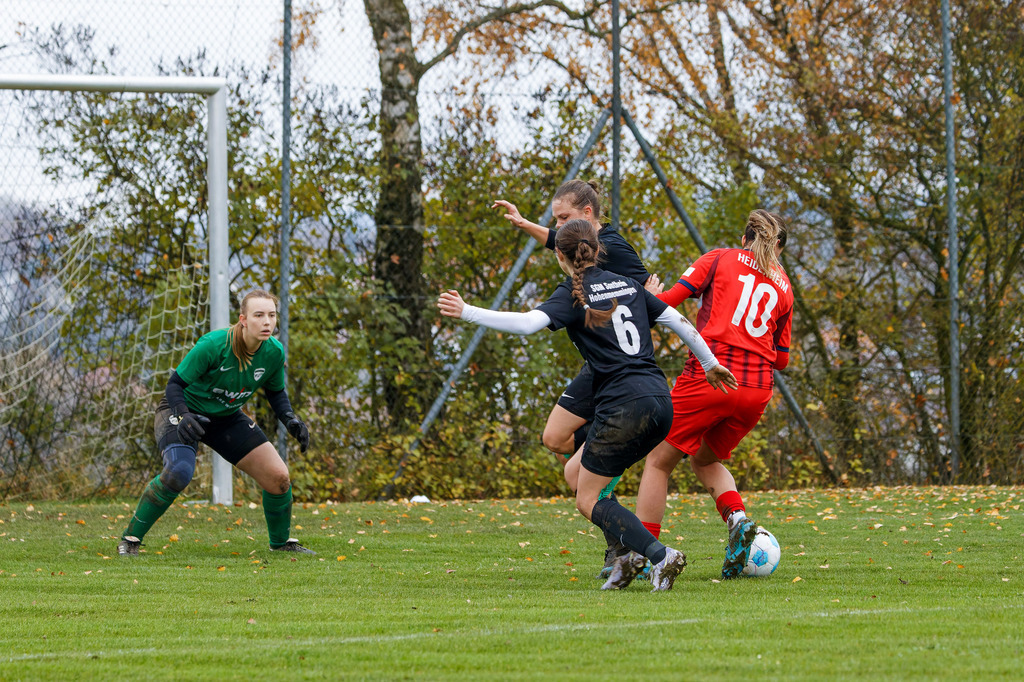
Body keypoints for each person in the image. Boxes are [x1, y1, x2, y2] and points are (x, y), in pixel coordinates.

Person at [437, 219, 737, 591]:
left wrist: (468, 311)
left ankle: (660, 556)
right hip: (660, 401)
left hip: (623, 406)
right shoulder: (627, 284)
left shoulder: (573, 293)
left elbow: (528, 324)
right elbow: (678, 320)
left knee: (588, 498)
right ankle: (627, 558)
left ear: (560, 256)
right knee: (575, 474)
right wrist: (710, 365)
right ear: (598, 249)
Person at [493, 180, 662, 578]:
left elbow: (654, 294)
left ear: (588, 215)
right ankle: (607, 472)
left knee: (580, 476)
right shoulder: (582, 247)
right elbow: (558, 241)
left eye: (565, 218)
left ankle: (620, 541)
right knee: (554, 439)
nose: (558, 228)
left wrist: (654, 299)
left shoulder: (614, 249)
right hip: (599, 365)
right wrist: (523, 224)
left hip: (621, 364)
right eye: (555, 221)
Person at [635, 209, 793, 579]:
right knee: (704, 460)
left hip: (712, 376)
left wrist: (649, 296)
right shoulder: (785, 287)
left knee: (658, 460)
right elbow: (782, 360)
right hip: (756, 390)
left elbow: (668, 302)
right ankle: (738, 520)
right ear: (778, 248)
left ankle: (643, 557)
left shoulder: (719, 258)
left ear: (744, 238)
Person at [118, 289, 313, 556]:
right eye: (259, 315)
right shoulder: (213, 345)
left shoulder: (274, 353)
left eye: (271, 315)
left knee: (279, 477)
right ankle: (130, 540)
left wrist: (290, 419)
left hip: (226, 417)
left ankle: (280, 544)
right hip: (183, 411)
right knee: (179, 472)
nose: (267, 322)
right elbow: (174, 385)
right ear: (243, 319)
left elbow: (276, 392)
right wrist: (184, 415)